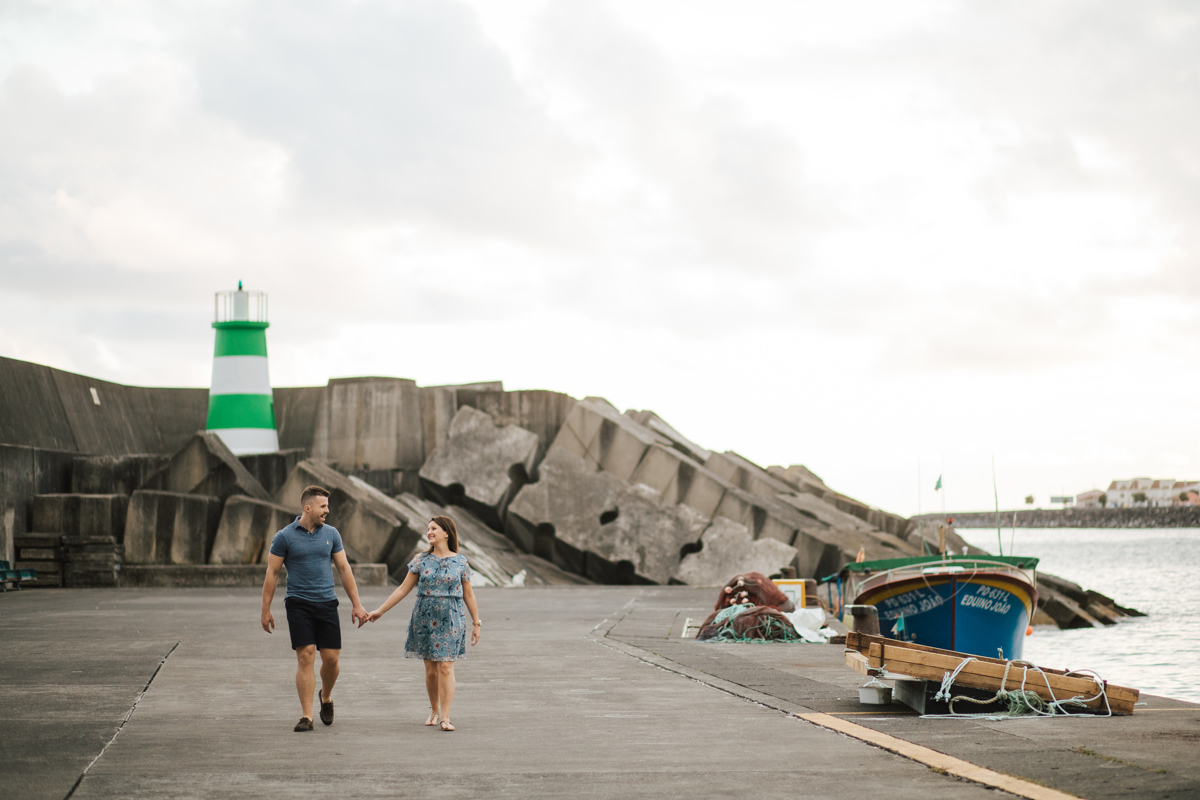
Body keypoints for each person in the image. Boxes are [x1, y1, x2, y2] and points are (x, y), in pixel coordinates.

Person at [261, 485, 368, 732]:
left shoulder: (331, 534)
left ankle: (326, 696)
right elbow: (272, 573)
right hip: (298, 602)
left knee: (331, 659)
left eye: (327, 506)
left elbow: (343, 569)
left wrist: (357, 604)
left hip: (327, 602)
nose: (327, 511)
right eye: (323, 507)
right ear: (307, 508)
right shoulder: (284, 537)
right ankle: (306, 716)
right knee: (305, 654)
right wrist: (265, 609)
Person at [362, 515, 480, 731]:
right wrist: (380, 610)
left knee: (446, 666)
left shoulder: (461, 562)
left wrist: (476, 622)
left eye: (434, 528)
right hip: (424, 618)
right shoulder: (420, 560)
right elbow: (402, 589)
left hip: (452, 618)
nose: (429, 532)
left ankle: (445, 716)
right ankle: (434, 709)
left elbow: (469, 595)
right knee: (431, 671)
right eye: (428, 529)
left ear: (447, 532)